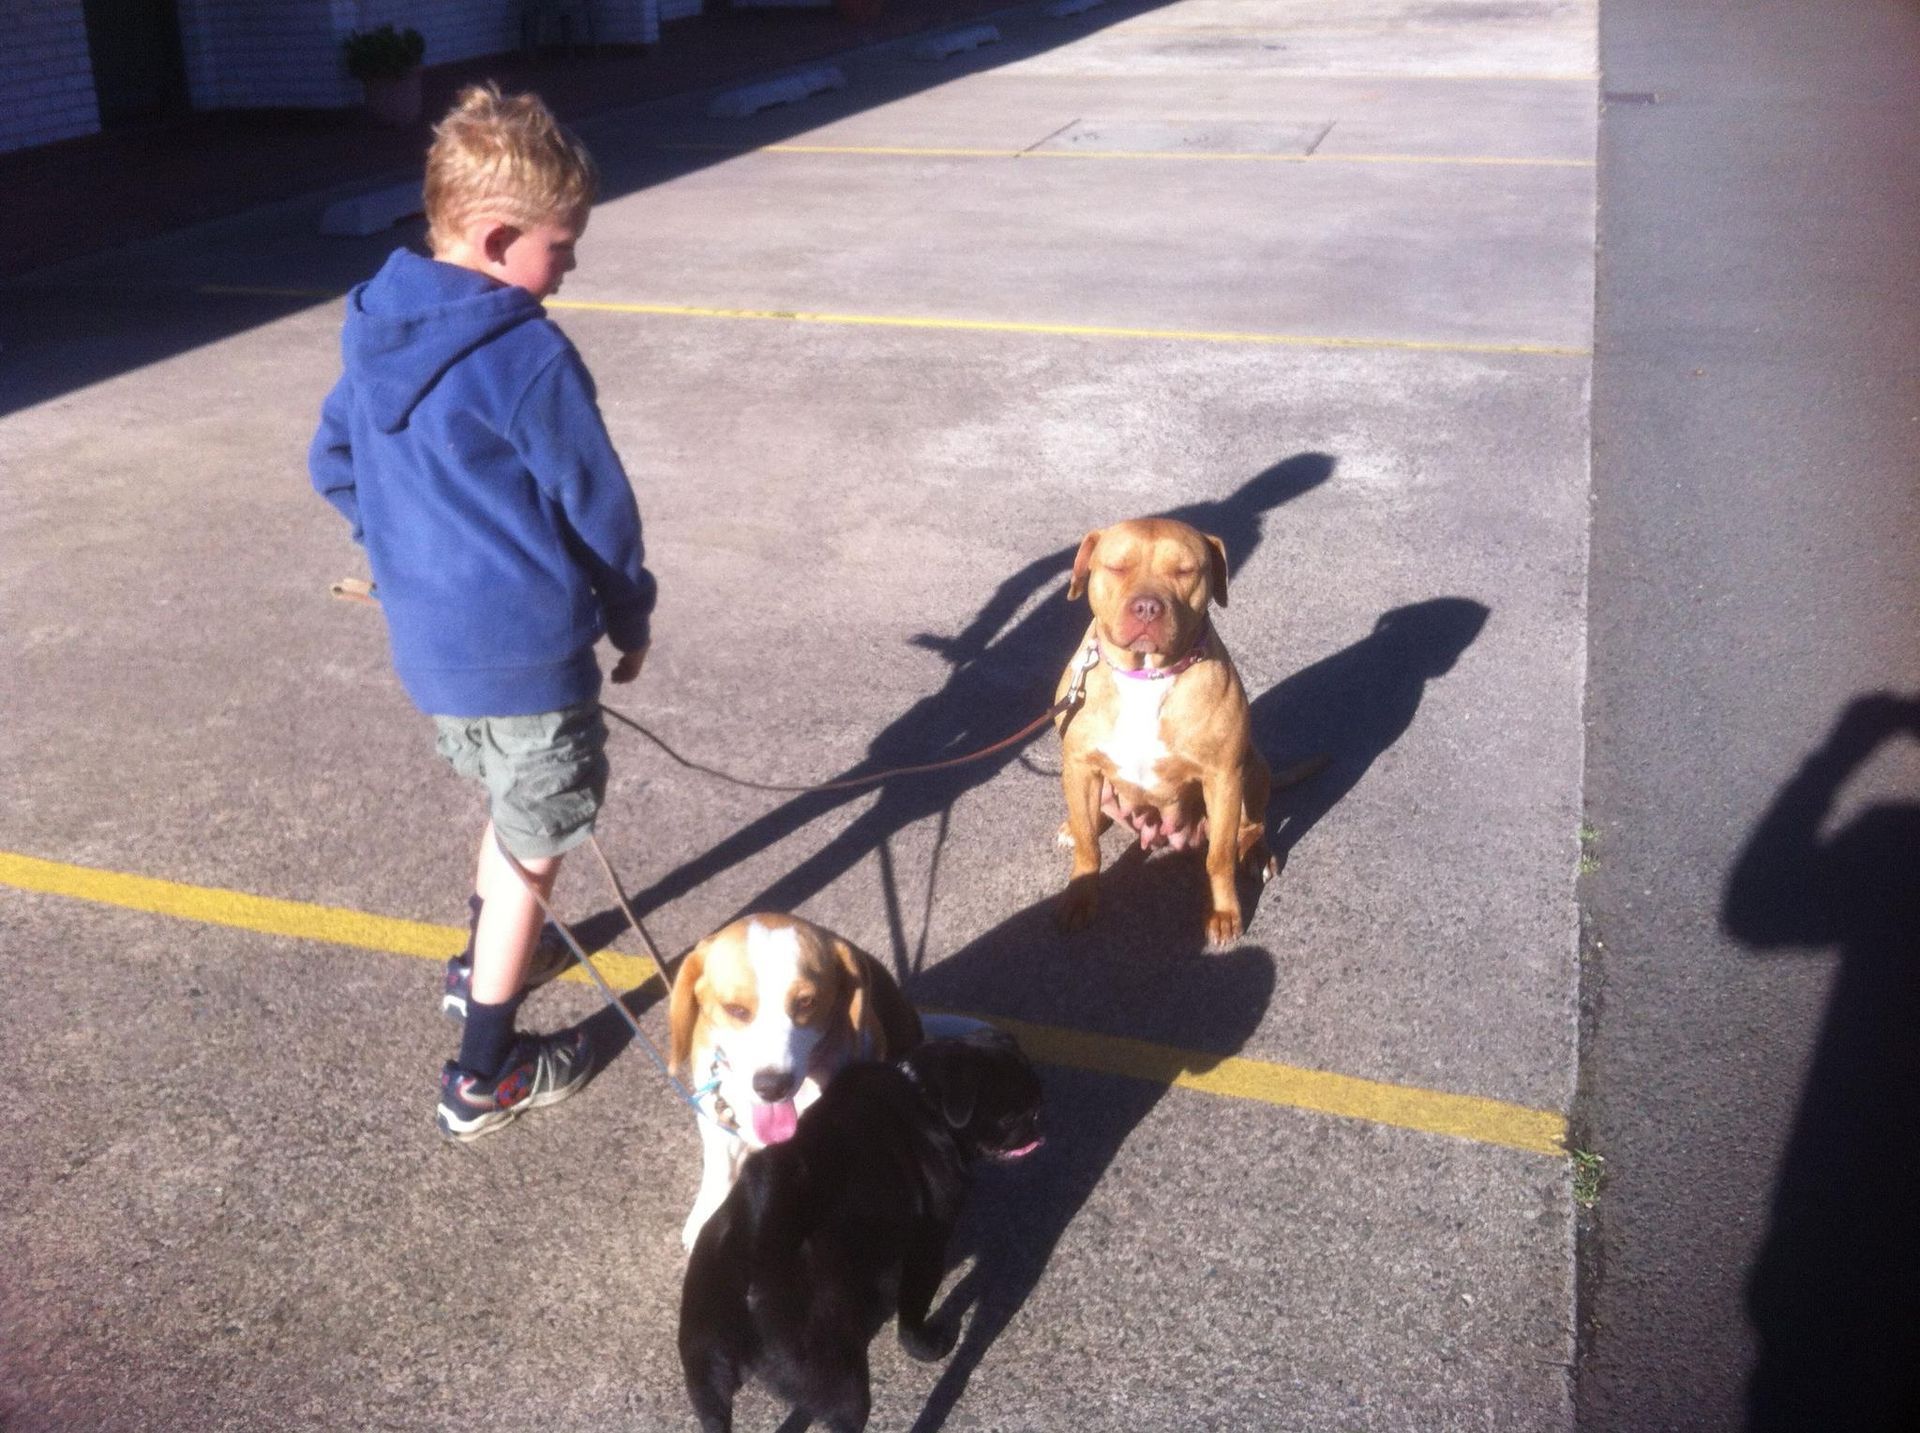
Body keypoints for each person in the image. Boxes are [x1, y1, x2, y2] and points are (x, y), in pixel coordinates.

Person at [308, 84, 654, 1141]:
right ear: (500, 239)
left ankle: (480, 964)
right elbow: (594, 502)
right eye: (563, 246)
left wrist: (392, 552)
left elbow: (332, 461)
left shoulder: (376, 324)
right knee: (535, 840)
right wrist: (630, 608)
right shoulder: (527, 352)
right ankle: (483, 1071)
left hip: (433, 653)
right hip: (523, 656)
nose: (571, 268)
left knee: (511, 818)